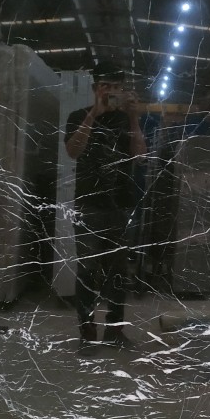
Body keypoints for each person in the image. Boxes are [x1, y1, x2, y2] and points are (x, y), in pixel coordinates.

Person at [65, 62, 146, 350]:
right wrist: (94, 115)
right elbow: (73, 151)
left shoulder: (126, 120)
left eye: (117, 87)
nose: (111, 91)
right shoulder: (78, 116)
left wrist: (134, 119)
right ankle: (87, 334)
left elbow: (140, 156)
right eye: (106, 86)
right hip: (89, 204)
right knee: (87, 269)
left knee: (118, 272)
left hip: (121, 205)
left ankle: (114, 331)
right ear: (95, 89)